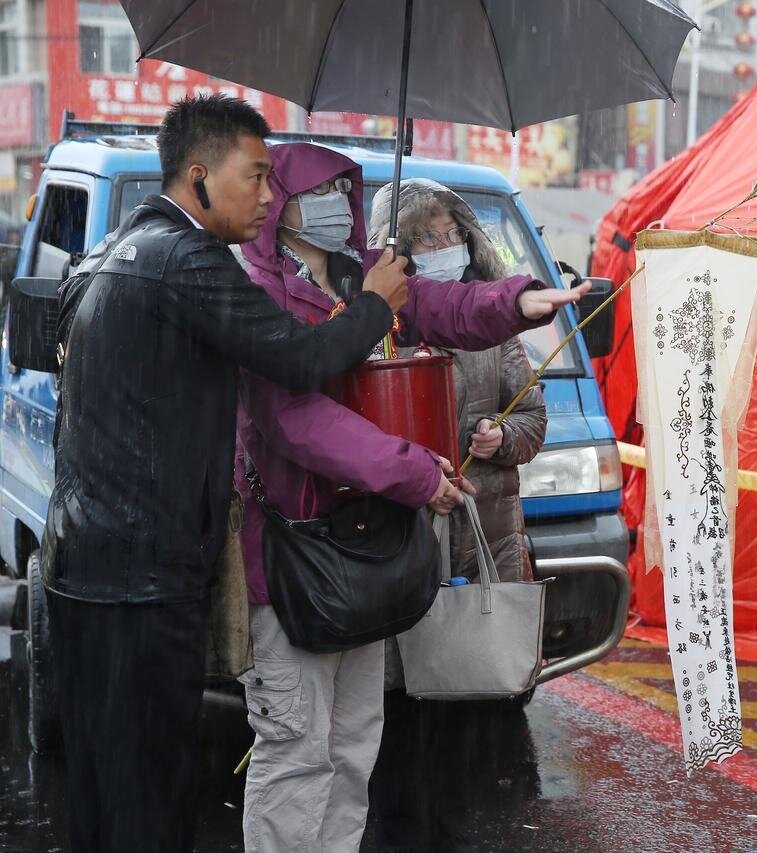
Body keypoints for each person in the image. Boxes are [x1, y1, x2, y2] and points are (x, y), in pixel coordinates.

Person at [43, 95, 409, 853]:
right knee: (153, 791)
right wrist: (374, 306)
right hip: (144, 577)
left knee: (102, 790)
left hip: (80, 564)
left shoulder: (109, 252)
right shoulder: (188, 261)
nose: (270, 197)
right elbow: (298, 359)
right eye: (258, 176)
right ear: (200, 176)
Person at [233, 144, 579, 852]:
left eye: (343, 189)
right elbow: (298, 421)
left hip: (370, 547)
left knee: (355, 743)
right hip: (297, 554)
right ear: (281, 206)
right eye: (316, 191)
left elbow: (446, 305)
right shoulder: (262, 296)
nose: (335, 203)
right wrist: (418, 471)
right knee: (298, 747)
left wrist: (517, 299)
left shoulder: (370, 281)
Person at [364, 179, 549, 852]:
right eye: (422, 238)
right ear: (396, 248)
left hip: (477, 544)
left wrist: (501, 437)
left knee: (459, 699)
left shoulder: (491, 326)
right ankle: (396, 833)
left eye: (449, 235)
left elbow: (533, 415)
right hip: (399, 548)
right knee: (393, 707)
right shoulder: (374, 324)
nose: (442, 248)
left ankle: (449, 830)